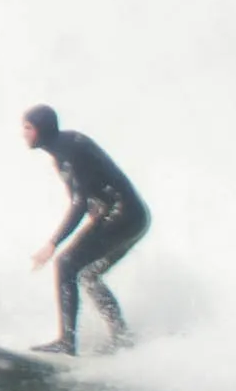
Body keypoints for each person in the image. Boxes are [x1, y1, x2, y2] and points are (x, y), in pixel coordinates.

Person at [20, 103, 148, 352]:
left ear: (41, 129)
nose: (23, 134)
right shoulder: (61, 154)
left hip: (124, 216)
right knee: (88, 275)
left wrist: (53, 243)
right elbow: (85, 200)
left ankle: (67, 343)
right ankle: (122, 338)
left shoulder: (72, 150)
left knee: (65, 264)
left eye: (27, 128)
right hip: (131, 218)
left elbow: (80, 204)